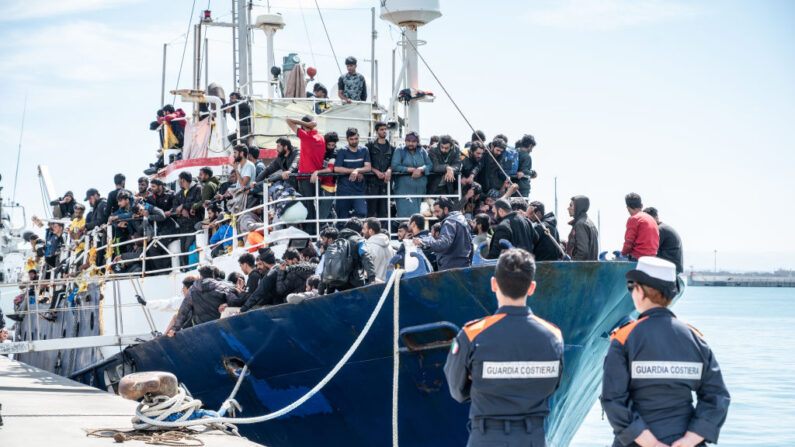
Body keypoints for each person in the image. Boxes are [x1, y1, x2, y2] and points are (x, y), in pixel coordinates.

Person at [601, 257, 729, 447]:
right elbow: (717, 397)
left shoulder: (623, 339)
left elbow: (613, 399)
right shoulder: (696, 339)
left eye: (631, 287)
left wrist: (650, 443)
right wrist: (689, 440)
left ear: (641, 292)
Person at [444, 249, 564, 447]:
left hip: (487, 439)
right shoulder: (553, 336)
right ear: (532, 287)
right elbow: (552, 385)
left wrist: (483, 382)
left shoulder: (472, 335)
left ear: (494, 284)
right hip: (533, 439)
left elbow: (457, 391)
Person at [287, 116, 326, 229]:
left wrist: (306, 124)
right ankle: (316, 231)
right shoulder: (321, 138)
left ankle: (311, 233)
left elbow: (288, 120)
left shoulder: (306, 137)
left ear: (305, 126)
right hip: (317, 177)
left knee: (308, 206)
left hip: (306, 177)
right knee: (315, 205)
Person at [414, 197, 472, 271]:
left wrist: (422, 242)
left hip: (451, 269)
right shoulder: (462, 220)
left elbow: (443, 243)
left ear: (446, 209)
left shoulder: (449, 222)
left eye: (438, 211)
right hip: (464, 266)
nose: (436, 215)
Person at [391, 131, 432, 217]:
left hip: (420, 191)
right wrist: (410, 170)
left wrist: (421, 169)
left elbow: (430, 165)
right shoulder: (399, 150)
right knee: (405, 219)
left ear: (417, 142)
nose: (410, 143)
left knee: (419, 218)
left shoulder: (422, 151)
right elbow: (394, 166)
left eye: (413, 141)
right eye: (408, 141)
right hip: (404, 191)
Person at [334, 128, 371, 219]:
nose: (354, 141)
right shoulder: (342, 151)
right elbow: (337, 168)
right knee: (342, 218)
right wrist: (353, 171)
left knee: (362, 213)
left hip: (358, 190)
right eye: (351, 139)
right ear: (347, 139)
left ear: (358, 137)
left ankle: (352, 224)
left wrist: (357, 170)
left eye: (356, 139)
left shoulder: (364, 150)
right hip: (344, 190)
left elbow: (368, 167)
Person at [172, 172, 203, 266]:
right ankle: (185, 268)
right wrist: (181, 211)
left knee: (188, 246)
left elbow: (199, 202)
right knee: (183, 249)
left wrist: (183, 206)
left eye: (179, 179)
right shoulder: (179, 194)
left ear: (182, 180)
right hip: (183, 226)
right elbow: (174, 207)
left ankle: (192, 267)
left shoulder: (198, 189)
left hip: (194, 224)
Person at [365, 121, 393, 218]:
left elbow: (393, 163)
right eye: (381, 129)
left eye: (385, 129)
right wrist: (376, 172)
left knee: (383, 212)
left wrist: (389, 170)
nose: (384, 131)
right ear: (376, 132)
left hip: (385, 184)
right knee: (371, 211)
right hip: (371, 184)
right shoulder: (369, 146)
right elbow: (366, 162)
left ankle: (383, 232)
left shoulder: (391, 148)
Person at [310, 131, 340, 222]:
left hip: (329, 186)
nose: (331, 147)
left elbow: (330, 169)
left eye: (333, 145)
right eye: (329, 145)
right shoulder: (322, 151)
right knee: (327, 211)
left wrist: (317, 172)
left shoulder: (334, 154)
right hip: (320, 184)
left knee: (322, 214)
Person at [644, 207, 683, 274]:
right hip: (673, 266)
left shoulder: (659, 229)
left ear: (656, 218)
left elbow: (650, 250)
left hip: (669, 267)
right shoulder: (663, 228)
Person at [621, 193, 660, 261]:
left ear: (628, 208)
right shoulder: (651, 219)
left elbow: (629, 242)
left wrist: (622, 253)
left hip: (638, 258)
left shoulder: (634, 219)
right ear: (641, 206)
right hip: (652, 258)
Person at [566, 195, 599, 260]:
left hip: (580, 269)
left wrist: (572, 265)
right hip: (591, 268)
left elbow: (583, 252)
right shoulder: (591, 224)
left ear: (578, 207)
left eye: (571, 205)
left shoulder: (580, 225)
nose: (568, 208)